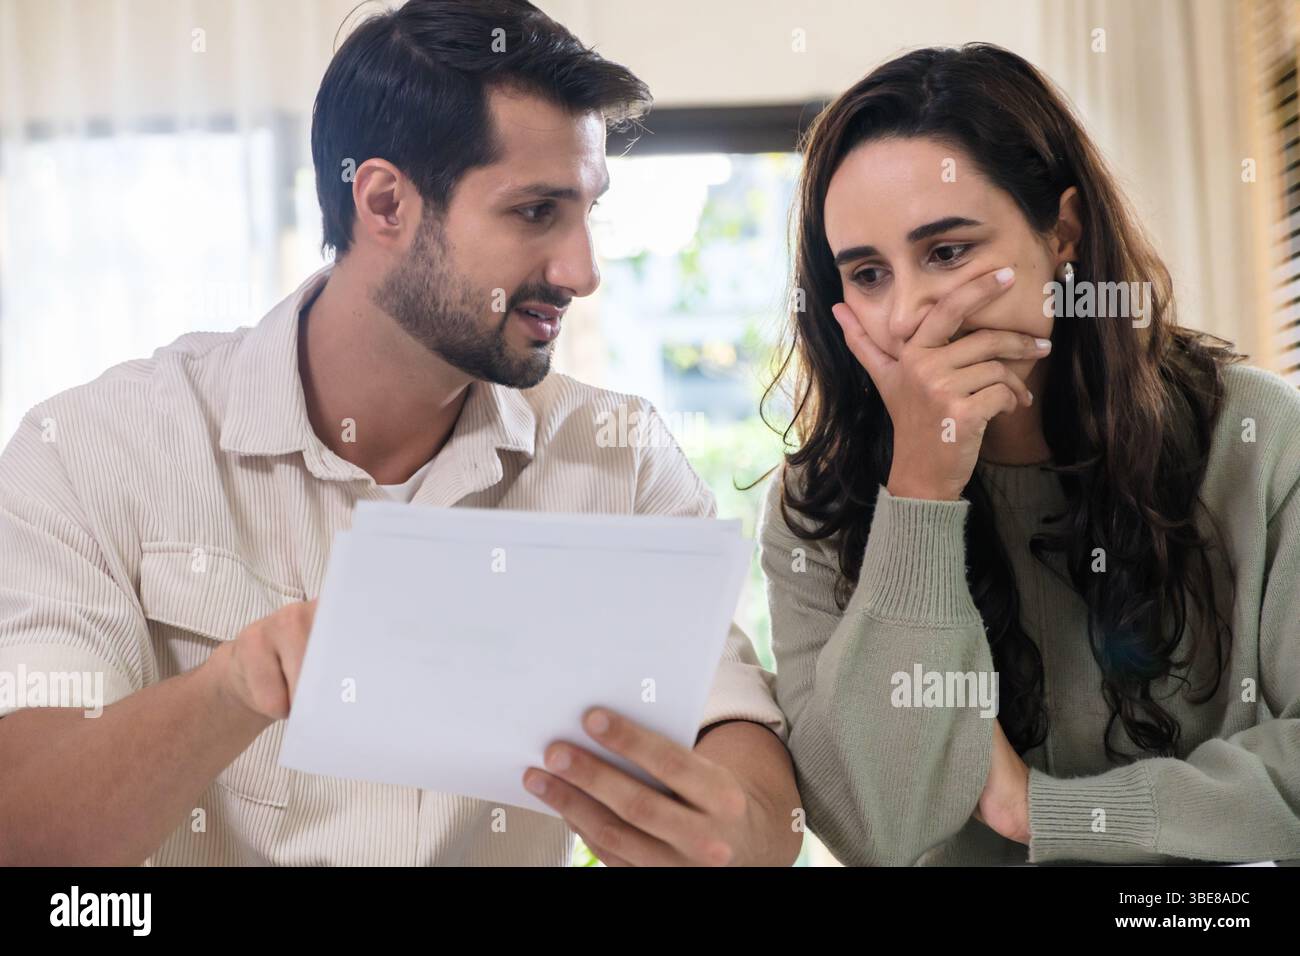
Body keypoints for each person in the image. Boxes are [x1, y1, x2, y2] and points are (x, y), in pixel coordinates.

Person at [0, 0, 800, 867]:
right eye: (536, 212)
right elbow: (27, 832)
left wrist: (736, 834)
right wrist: (232, 687)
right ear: (385, 202)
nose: (581, 270)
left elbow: (740, 750)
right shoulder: (90, 449)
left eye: (586, 213)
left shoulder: (619, 455)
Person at [759, 42, 1300, 865]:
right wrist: (921, 495)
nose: (907, 315)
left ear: (1064, 234)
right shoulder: (817, 502)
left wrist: (1043, 811)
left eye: (947, 252)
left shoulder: (1259, 439)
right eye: (868, 274)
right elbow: (875, 829)